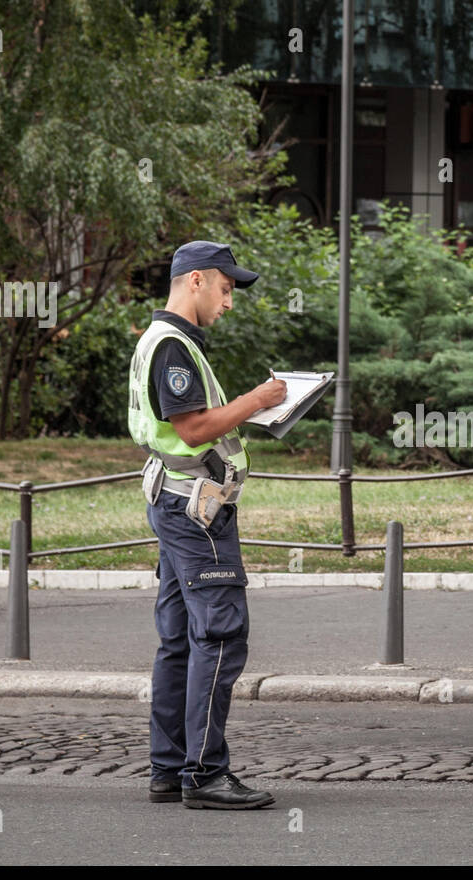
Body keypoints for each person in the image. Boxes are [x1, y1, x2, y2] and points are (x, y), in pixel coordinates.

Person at [126, 240, 287, 810]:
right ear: (195, 281)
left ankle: (169, 769)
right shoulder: (172, 346)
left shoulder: (163, 340)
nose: (230, 301)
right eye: (225, 288)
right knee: (219, 636)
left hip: (174, 500)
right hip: (197, 511)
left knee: (177, 641)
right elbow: (194, 429)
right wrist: (257, 398)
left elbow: (187, 427)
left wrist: (254, 407)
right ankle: (205, 775)